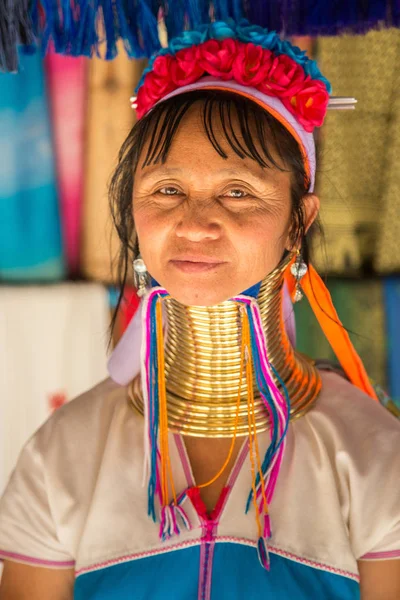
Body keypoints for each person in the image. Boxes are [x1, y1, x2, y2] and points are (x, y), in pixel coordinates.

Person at [0, 19, 399, 600]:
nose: (195, 224)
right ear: (133, 208)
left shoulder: (371, 454)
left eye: (238, 191)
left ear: (299, 220)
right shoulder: (63, 454)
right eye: (166, 190)